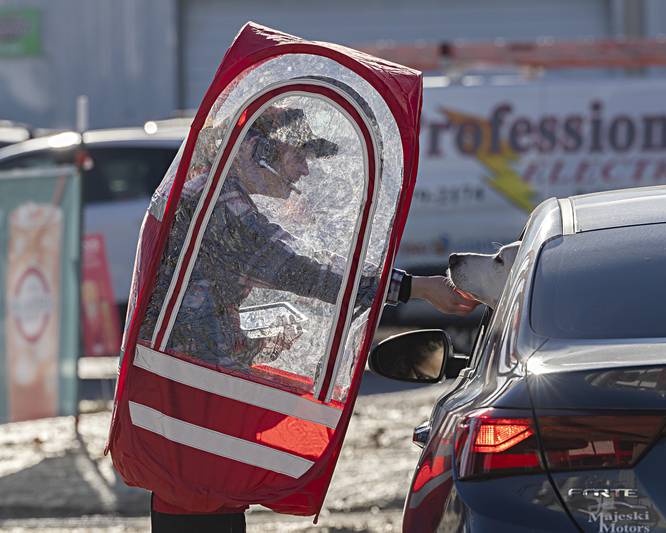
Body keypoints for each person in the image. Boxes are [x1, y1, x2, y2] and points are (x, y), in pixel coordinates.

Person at [144, 107, 477, 532]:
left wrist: (250, 342)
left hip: (191, 409)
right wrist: (415, 289)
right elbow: (305, 271)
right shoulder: (222, 205)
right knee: (202, 508)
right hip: (195, 412)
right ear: (254, 149)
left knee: (207, 502)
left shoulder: (210, 195)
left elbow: (196, 312)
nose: (304, 171)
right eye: (298, 156)